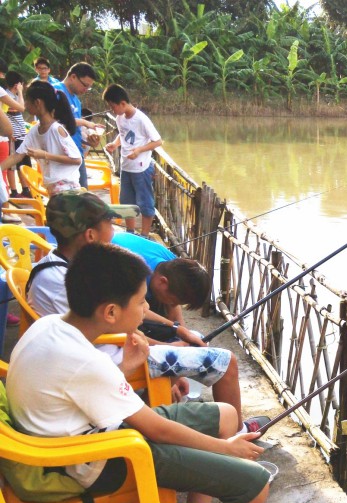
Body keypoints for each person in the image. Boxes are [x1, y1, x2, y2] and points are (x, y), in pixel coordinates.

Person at [6, 240, 276, 503]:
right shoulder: (88, 363)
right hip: (96, 459)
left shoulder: (48, 326)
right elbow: (156, 430)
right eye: (140, 301)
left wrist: (125, 366)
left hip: (84, 434)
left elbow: (77, 389)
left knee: (226, 415)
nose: (146, 307)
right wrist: (227, 449)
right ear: (110, 312)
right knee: (255, 485)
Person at [28, 193, 261, 433]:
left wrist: (176, 335)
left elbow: (126, 317)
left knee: (188, 344)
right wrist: (168, 347)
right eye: (110, 224)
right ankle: (238, 433)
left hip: (113, 350)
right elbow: (111, 330)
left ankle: (209, 420)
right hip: (111, 358)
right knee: (227, 362)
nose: (114, 232)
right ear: (91, 235)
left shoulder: (76, 270)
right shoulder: (61, 279)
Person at [0, 81, 81, 195]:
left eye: (27, 100)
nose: (25, 105)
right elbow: (17, 155)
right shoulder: (35, 130)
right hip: (53, 189)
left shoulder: (56, 129)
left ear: (37, 103)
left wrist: (44, 155)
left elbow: (77, 159)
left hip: (67, 189)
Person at [103, 84, 162, 236]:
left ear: (122, 103)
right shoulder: (119, 118)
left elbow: (158, 141)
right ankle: (130, 232)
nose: (112, 110)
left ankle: (145, 235)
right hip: (126, 167)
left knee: (145, 203)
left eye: (112, 106)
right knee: (127, 202)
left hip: (141, 168)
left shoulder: (141, 119)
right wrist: (115, 144)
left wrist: (139, 150)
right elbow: (123, 134)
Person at [55, 62, 101, 189]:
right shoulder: (55, 91)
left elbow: (74, 130)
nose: (85, 90)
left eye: (89, 87)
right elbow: (55, 121)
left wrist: (88, 141)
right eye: (85, 85)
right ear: (73, 77)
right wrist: (86, 122)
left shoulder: (76, 100)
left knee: (83, 194)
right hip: (63, 156)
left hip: (77, 154)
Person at [3, 71, 31, 197]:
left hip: (20, 134)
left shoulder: (12, 96)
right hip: (12, 136)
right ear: (17, 84)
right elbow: (21, 107)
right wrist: (20, 92)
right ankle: (13, 191)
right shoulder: (6, 96)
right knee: (12, 165)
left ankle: (26, 189)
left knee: (24, 163)